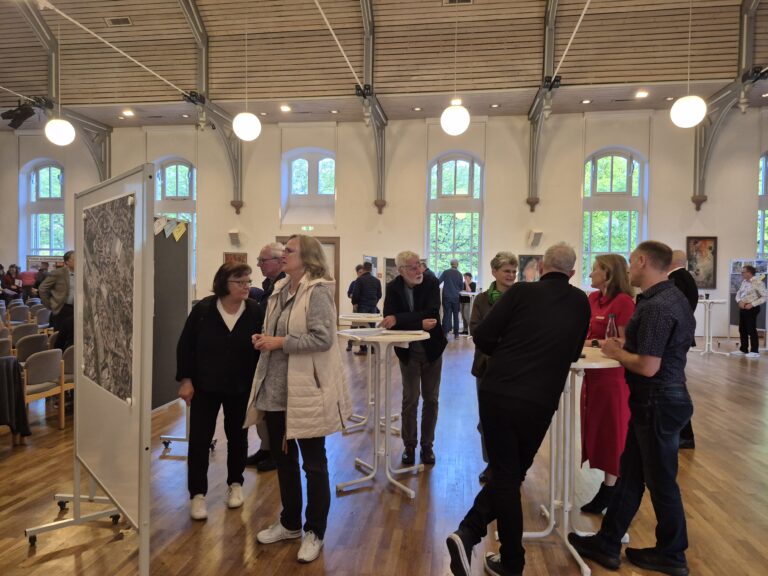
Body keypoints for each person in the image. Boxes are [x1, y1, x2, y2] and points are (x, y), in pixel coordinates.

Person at [446, 243, 589, 576]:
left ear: (541, 266)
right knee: (511, 476)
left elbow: (484, 337)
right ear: (572, 272)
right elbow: (572, 353)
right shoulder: (580, 301)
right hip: (540, 399)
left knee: (507, 476)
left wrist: (510, 350)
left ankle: (475, 537)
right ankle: (501, 555)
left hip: (499, 391)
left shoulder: (522, 292)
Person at [568, 241, 696, 576]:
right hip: (659, 399)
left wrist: (616, 353)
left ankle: (673, 553)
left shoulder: (656, 305)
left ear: (642, 261)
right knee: (631, 477)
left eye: (631, 262)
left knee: (660, 481)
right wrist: (624, 346)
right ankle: (608, 543)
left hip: (657, 399)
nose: (628, 269)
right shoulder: (669, 298)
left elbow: (648, 366)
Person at [245, 234, 352, 564]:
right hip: (276, 390)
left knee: (314, 464)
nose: (283, 254)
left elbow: (323, 338)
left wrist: (278, 343)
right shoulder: (280, 289)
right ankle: (290, 523)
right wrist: (265, 338)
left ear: (307, 258)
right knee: (284, 462)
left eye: (289, 250)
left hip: (305, 392)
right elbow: (279, 331)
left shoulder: (317, 291)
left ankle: (315, 531)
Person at [176, 261, 264, 521]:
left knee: (238, 437)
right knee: (200, 439)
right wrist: (186, 380)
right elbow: (185, 346)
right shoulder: (204, 309)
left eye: (248, 281)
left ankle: (235, 484)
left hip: (241, 386)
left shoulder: (254, 310)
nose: (246, 286)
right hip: (205, 385)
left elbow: (262, 348)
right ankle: (197, 494)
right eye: (240, 282)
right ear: (224, 284)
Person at [580, 254, 635, 514]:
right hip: (592, 373)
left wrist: (592, 343)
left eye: (595, 269)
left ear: (609, 274)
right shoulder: (592, 299)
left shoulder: (623, 302)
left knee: (613, 432)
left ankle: (612, 489)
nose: (590, 274)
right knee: (597, 430)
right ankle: (610, 486)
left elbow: (623, 342)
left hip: (613, 377)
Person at [381, 251, 447, 465]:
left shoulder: (431, 282)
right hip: (407, 351)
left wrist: (399, 319)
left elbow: (432, 315)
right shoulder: (393, 287)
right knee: (410, 399)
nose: (419, 270)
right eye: (413, 267)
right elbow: (388, 321)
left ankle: (427, 446)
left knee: (431, 399)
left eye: (419, 264)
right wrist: (417, 322)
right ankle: (409, 445)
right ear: (401, 270)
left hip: (432, 350)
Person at [469, 251, 517, 484]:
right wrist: (503, 340)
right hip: (486, 365)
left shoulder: (521, 297)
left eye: (514, 271)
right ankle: (491, 464)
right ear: (494, 272)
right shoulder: (482, 300)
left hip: (515, 367)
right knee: (487, 417)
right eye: (507, 271)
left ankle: (510, 465)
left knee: (512, 417)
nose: (511, 275)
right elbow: (476, 330)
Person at [245, 242, 286, 472]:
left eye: (263, 260)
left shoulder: (284, 285)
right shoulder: (268, 285)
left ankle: (277, 453)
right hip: (263, 348)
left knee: (274, 409)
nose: (259, 264)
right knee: (261, 404)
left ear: (279, 261)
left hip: (276, 352)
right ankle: (266, 447)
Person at [668, 250, 699, 449]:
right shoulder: (686, 277)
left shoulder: (677, 279)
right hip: (680, 336)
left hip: (675, 337)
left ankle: (684, 434)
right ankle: (682, 433)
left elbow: (673, 310)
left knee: (674, 385)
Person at [39, 252, 76, 349]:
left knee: (73, 338)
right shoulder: (58, 273)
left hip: (76, 309)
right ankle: (59, 357)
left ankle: (69, 357)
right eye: (74, 259)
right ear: (67, 262)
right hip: (62, 309)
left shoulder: (81, 272)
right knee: (60, 339)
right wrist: (50, 305)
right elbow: (42, 289)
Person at [731, 264, 766, 359]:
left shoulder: (758, 282)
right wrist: (739, 301)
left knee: (751, 329)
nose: (741, 273)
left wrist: (752, 304)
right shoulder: (744, 282)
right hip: (743, 307)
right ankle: (743, 349)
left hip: (752, 308)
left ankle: (754, 351)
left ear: (749, 273)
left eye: (743, 272)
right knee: (742, 329)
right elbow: (738, 294)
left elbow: (764, 296)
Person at [351, 261, 382, 355]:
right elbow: (379, 295)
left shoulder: (360, 280)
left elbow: (355, 294)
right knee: (372, 328)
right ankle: (372, 348)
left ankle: (363, 349)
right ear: (371, 269)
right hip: (373, 307)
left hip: (362, 307)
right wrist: (374, 302)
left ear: (363, 268)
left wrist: (355, 303)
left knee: (362, 328)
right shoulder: (376, 281)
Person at [439, 259, 464, 338]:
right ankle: (456, 334)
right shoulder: (459, 274)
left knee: (446, 314)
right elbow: (461, 287)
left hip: (446, 296)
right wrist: (456, 290)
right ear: (457, 264)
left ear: (450, 264)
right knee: (456, 315)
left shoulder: (446, 272)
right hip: (455, 297)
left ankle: (445, 333)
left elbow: (438, 281)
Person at [345, 264, 364, 352]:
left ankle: (363, 347)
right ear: (357, 273)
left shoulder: (365, 283)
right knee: (354, 327)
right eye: (360, 272)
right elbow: (349, 293)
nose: (361, 274)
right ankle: (350, 344)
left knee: (364, 328)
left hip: (364, 309)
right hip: (356, 309)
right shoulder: (354, 283)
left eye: (362, 272)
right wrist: (353, 295)